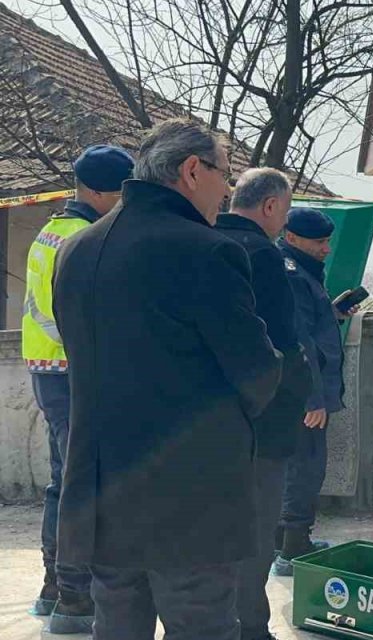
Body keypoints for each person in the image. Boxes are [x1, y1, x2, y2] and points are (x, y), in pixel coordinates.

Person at [51, 118, 282, 640]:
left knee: (116, 627)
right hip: (189, 497)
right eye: (225, 174)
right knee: (202, 627)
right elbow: (257, 372)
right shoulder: (207, 251)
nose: (227, 190)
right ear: (192, 170)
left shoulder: (76, 251)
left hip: (103, 488)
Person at [23, 144, 132, 634]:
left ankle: (54, 586)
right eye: (119, 193)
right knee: (80, 484)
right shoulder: (85, 235)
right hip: (74, 371)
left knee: (62, 481)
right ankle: (75, 595)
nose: (123, 203)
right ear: (95, 191)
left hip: (50, 371)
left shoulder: (52, 228)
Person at [215, 168, 313, 639]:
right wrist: (299, 390)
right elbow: (278, 344)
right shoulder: (263, 256)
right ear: (271, 206)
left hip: (204, 420)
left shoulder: (201, 244)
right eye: (286, 211)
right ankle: (250, 626)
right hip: (260, 421)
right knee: (254, 532)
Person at [273, 206, 351, 576]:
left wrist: (331, 313)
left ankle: (284, 544)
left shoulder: (301, 270)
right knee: (304, 468)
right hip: (303, 392)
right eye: (319, 242)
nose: (326, 248)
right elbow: (298, 340)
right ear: (291, 238)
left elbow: (310, 326)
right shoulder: (290, 274)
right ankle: (292, 550)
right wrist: (313, 398)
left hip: (299, 389)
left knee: (298, 465)